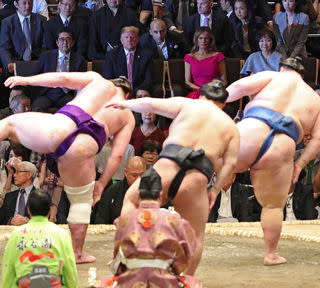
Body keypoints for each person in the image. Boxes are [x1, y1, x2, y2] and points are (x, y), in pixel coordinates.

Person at [0, 71, 135, 264]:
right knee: (81, 202)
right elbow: (117, 155)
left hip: (57, 128)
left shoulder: (97, 80)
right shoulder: (127, 115)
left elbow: (63, 79)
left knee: (9, 124)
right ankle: (77, 253)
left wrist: (26, 80)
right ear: (128, 96)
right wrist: (102, 183)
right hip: (84, 147)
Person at [108, 79, 239, 275]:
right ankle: (186, 280)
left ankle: (128, 247)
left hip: (165, 169)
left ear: (201, 95)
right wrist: (214, 191)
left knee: (131, 199)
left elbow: (151, 103)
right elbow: (229, 166)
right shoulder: (231, 128)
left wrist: (125, 103)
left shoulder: (188, 104)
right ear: (223, 104)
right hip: (195, 181)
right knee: (195, 236)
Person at [225, 57, 320, 265]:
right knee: (272, 205)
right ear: (303, 75)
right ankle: (270, 254)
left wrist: (209, 107)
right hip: (282, 146)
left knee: (209, 167)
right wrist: (300, 164)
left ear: (282, 68)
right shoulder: (315, 100)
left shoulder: (272, 76)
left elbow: (237, 88)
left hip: (252, 129)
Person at [102, 168, 203, 287]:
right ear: (160, 196)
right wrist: (173, 269)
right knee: (194, 284)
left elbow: (117, 254)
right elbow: (187, 252)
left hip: (130, 279)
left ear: (138, 196)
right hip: (163, 280)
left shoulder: (123, 220)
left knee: (102, 282)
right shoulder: (174, 221)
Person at [2, 189, 79, 288]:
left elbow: (8, 271)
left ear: (28, 210)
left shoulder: (16, 235)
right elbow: (69, 269)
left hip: (25, 283)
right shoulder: (61, 234)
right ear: (50, 210)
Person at [33, 30, 87, 111]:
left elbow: (82, 81)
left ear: (72, 43)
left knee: (75, 109)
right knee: (37, 107)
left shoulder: (79, 59)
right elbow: (36, 76)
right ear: (57, 42)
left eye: (68, 39)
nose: (65, 42)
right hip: (48, 93)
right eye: (62, 39)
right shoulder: (46, 56)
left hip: (67, 94)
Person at [0, 0, 47, 74]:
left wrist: (42, 61)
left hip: (36, 62)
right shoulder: (7, 22)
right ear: (16, 4)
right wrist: (9, 63)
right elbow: (4, 47)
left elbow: (45, 45)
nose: (28, 6)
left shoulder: (41, 20)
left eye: (30, 3)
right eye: (24, 3)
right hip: (15, 63)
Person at [95, 156, 146, 224]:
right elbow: (101, 220)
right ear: (126, 172)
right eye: (134, 175)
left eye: (142, 175)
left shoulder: (153, 191)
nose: (138, 179)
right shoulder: (113, 191)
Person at [102, 26, 153, 91]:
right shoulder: (112, 55)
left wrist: (137, 91)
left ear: (137, 39)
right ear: (121, 40)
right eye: (126, 37)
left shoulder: (146, 55)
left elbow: (148, 80)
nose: (129, 40)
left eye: (132, 37)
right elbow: (108, 78)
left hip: (140, 90)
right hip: (119, 90)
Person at [0, 161, 36, 225]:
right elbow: (1, 220)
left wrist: (27, 222)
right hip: (10, 232)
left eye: (18, 172)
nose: (14, 175)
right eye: (15, 172)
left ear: (29, 175)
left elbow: (44, 222)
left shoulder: (40, 197)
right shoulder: (9, 196)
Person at [184, 27, 226, 99]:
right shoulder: (189, 57)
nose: (203, 41)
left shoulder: (218, 56)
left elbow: (224, 81)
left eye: (206, 38)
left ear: (210, 40)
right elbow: (187, 82)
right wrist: (202, 90)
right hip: (197, 92)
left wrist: (213, 90)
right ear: (196, 40)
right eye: (200, 38)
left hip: (214, 92)